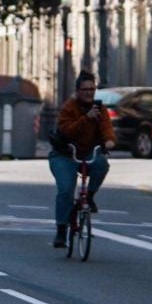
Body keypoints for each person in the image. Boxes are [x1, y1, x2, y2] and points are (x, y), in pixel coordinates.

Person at [48, 71, 113, 249]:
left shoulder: (100, 109)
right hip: (65, 154)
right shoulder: (69, 108)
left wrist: (109, 141)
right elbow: (66, 131)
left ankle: (90, 196)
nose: (89, 93)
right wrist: (86, 119)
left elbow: (107, 128)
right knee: (66, 190)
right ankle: (61, 230)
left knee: (102, 164)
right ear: (78, 91)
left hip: (87, 153)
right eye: (85, 89)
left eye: (92, 89)